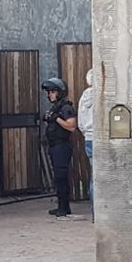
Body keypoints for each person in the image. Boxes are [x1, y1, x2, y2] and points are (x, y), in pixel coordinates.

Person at [42, 77, 77, 218]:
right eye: (49, 92)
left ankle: (64, 208)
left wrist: (56, 118)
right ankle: (62, 206)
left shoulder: (66, 108)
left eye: (53, 92)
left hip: (62, 147)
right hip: (54, 146)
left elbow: (72, 126)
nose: (50, 95)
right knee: (58, 178)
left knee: (61, 177)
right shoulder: (56, 107)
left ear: (60, 92)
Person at [77, 69, 95, 223]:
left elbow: (80, 123)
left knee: (94, 178)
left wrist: (87, 133)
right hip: (102, 139)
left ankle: (95, 213)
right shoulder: (105, 94)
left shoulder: (84, 96)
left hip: (89, 138)